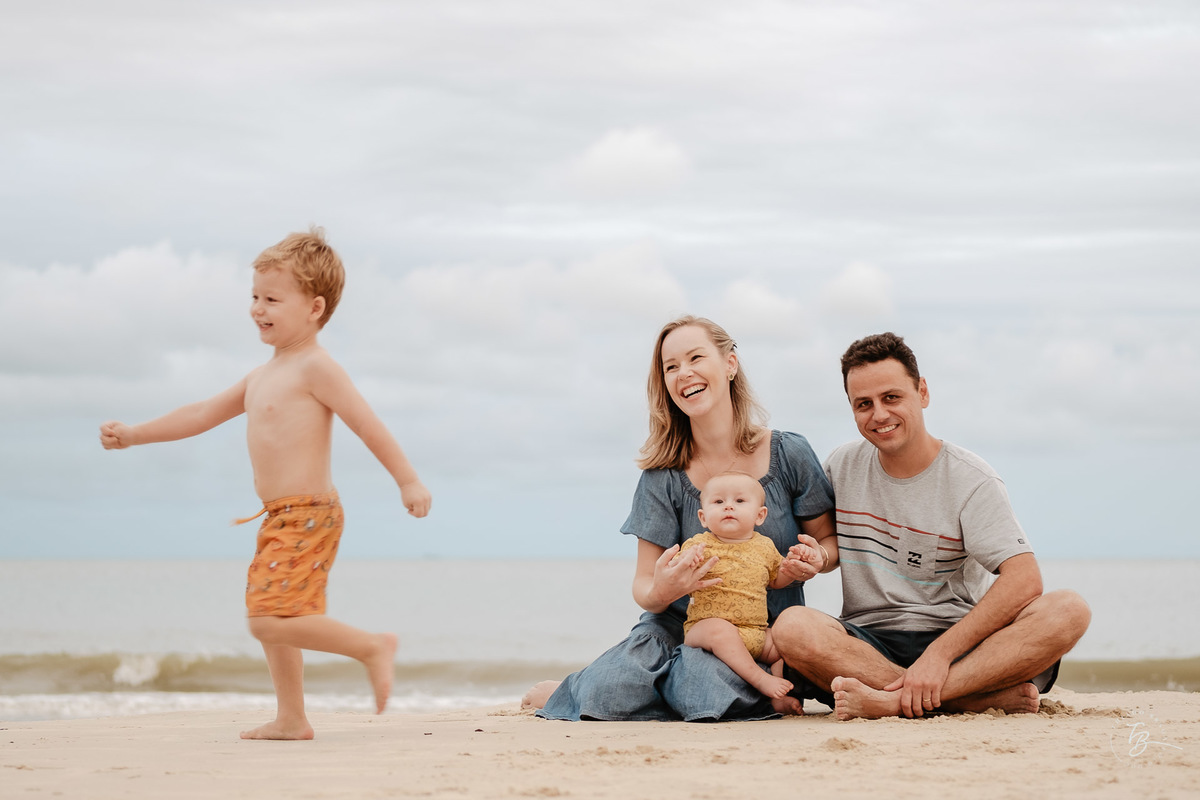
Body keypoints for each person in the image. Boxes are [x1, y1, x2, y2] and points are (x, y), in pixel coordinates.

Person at [99, 228, 431, 740]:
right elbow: (202, 413)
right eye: (255, 296)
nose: (258, 308)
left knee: (266, 619)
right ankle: (292, 718)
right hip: (281, 515)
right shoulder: (260, 376)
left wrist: (407, 481)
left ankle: (371, 647)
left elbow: (368, 425)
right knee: (278, 615)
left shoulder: (317, 368)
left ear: (315, 308)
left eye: (272, 299)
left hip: (310, 513)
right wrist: (136, 434)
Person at [525, 315, 837, 721]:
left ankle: (642, 685)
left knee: (703, 687)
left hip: (767, 631)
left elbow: (828, 543)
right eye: (670, 367)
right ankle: (591, 686)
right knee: (612, 690)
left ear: (730, 364)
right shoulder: (662, 475)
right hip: (683, 628)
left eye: (695, 358)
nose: (683, 373)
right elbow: (643, 585)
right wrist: (663, 589)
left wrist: (817, 560)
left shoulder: (789, 453)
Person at [772, 332, 1091, 720]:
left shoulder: (971, 479)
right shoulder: (842, 465)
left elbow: (1024, 580)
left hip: (959, 642)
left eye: (892, 397)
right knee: (792, 627)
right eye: (864, 404)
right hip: (868, 641)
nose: (879, 414)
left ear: (922, 392)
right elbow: (831, 543)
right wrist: (818, 557)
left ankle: (892, 701)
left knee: (1070, 609)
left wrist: (940, 655)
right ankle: (961, 701)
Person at [675, 470, 819, 700]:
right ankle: (761, 679)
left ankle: (779, 699)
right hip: (705, 630)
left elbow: (776, 580)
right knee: (719, 630)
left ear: (760, 515)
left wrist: (792, 565)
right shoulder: (698, 545)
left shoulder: (765, 546)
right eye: (718, 502)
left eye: (740, 501)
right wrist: (686, 562)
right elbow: (676, 572)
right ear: (703, 518)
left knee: (784, 644)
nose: (728, 506)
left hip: (755, 633)